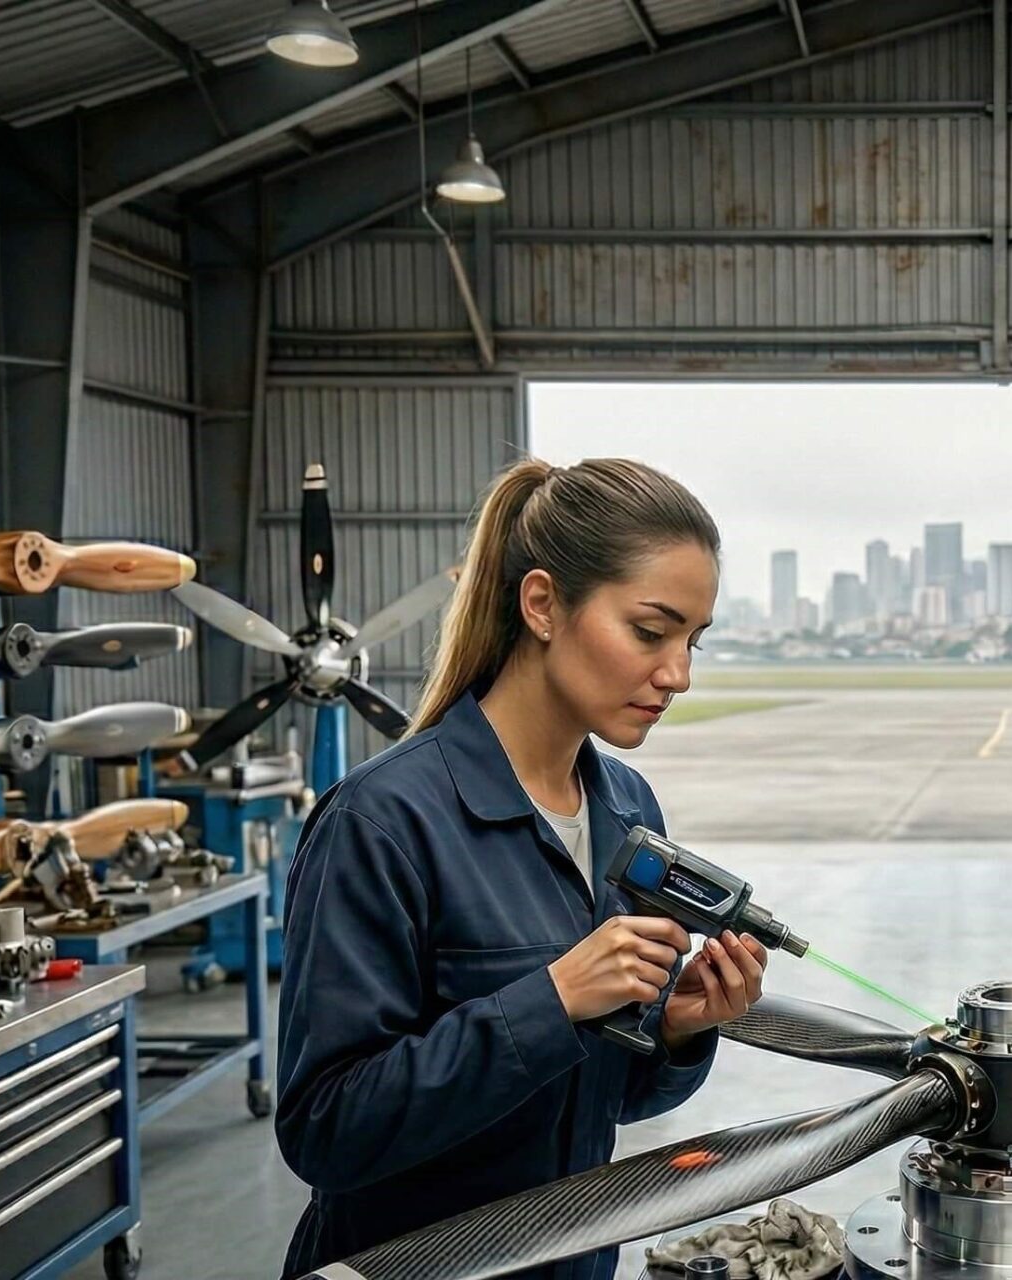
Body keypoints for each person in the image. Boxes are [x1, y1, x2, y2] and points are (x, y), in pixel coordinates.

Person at [277, 458, 768, 1280]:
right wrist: (553, 1000)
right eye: (651, 632)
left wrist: (679, 1033)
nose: (678, 674)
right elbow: (327, 1131)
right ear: (542, 604)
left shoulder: (628, 810)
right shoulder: (385, 822)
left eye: (693, 640)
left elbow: (604, 1101)